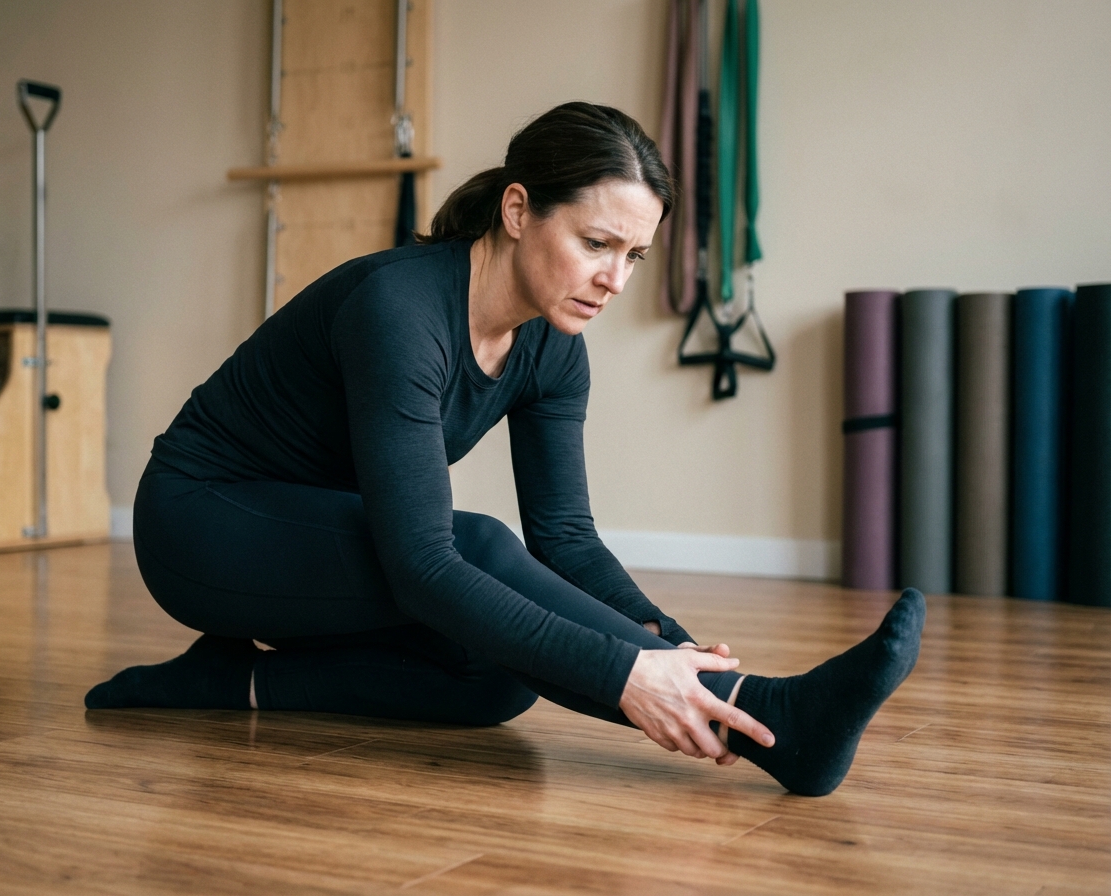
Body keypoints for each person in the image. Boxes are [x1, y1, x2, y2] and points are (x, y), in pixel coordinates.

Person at [86, 102, 923, 797]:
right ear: (518, 211)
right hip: (201, 524)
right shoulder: (401, 311)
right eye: (597, 245)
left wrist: (670, 646)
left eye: (635, 255)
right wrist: (635, 677)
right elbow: (423, 560)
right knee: (475, 547)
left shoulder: (554, 346)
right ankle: (772, 717)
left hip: (322, 542)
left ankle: (226, 683)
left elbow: (565, 539)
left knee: (498, 671)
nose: (616, 281)